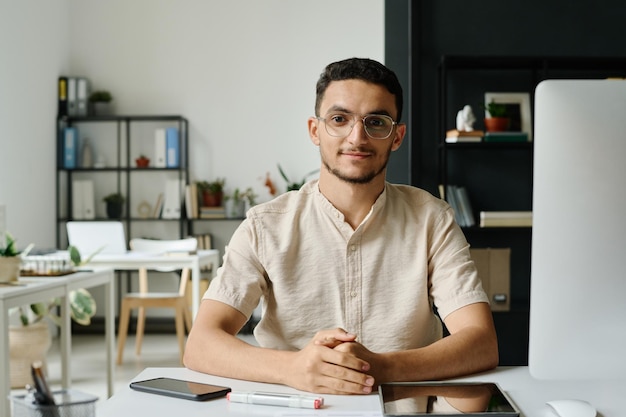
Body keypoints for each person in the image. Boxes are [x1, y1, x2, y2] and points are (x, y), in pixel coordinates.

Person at [184, 57, 498, 395]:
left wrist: (383, 367)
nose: (357, 137)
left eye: (376, 122)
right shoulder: (266, 225)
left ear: (397, 136)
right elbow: (201, 344)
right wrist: (293, 367)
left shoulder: (431, 218)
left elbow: (481, 342)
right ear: (315, 130)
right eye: (339, 119)